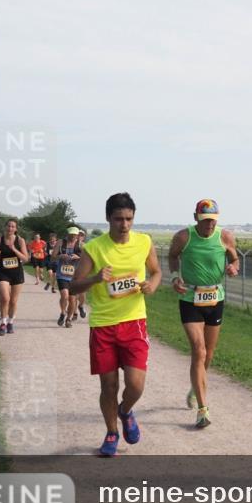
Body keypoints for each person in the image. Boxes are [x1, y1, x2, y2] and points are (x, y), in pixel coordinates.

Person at [69, 192, 161, 457]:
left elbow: (156, 271)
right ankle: (111, 432)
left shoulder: (144, 242)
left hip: (134, 323)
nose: (124, 225)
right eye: (119, 219)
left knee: (135, 385)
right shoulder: (94, 248)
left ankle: (126, 410)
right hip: (103, 326)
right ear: (108, 218)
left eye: (129, 219)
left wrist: (151, 286)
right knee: (108, 386)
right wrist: (96, 278)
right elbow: (74, 286)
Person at [167, 199, 240, 428]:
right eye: (205, 219)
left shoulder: (225, 236)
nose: (209, 224)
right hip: (190, 298)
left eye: (213, 220)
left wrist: (233, 267)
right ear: (196, 217)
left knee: (208, 354)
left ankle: (194, 386)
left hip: (215, 298)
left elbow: (234, 258)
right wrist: (174, 277)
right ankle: (202, 409)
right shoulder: (183, 237)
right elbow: (172, 256)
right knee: (198, 350)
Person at [0, 219, 30, 335]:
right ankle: (3, 323)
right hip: (3, 272)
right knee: (5, 298)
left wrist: (14, 249)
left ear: (16, 229)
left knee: (13, 301)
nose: (10, 228)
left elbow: (25, 259)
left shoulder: (20, 241)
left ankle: (11, 322)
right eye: (9, 226)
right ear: (5, 227)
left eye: (13, 227)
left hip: (16, 273)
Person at [54, 227, 82, 328]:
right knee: (65, 295)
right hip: (62, 274)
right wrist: (61, 256)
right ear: (67, 234)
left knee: (72, 299)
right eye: (71, 235)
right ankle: (62, 312)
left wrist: (78, 257)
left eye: (74, 235)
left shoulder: (81, 245)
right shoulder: (61, 243)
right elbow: (53, 256)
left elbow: (87, 259)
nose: (72, 237)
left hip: (74, 277)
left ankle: (69, 319)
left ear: (77, 235)